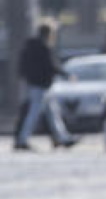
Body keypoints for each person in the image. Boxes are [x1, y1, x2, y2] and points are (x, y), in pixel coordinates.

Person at [14, 21, 76, 151]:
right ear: (48, 34)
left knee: (53, 113)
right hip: (40, 86)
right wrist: (66, 74)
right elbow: (50, 66)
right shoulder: (42, 48)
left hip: (37, 85)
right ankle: (22, 140)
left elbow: (22, 67)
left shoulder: (30, 46)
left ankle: (62, 138)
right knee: (34, 114)